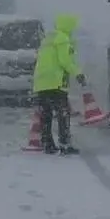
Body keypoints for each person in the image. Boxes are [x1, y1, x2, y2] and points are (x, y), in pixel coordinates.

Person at [31, 12, 86, 155]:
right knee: (63, 114)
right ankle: (65, 144)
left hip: (41, 83)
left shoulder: (48, 38)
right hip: (55, 82)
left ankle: (47, 144)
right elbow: (65, 61)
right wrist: (78, 73)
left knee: (46, 115)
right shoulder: (63, 38)